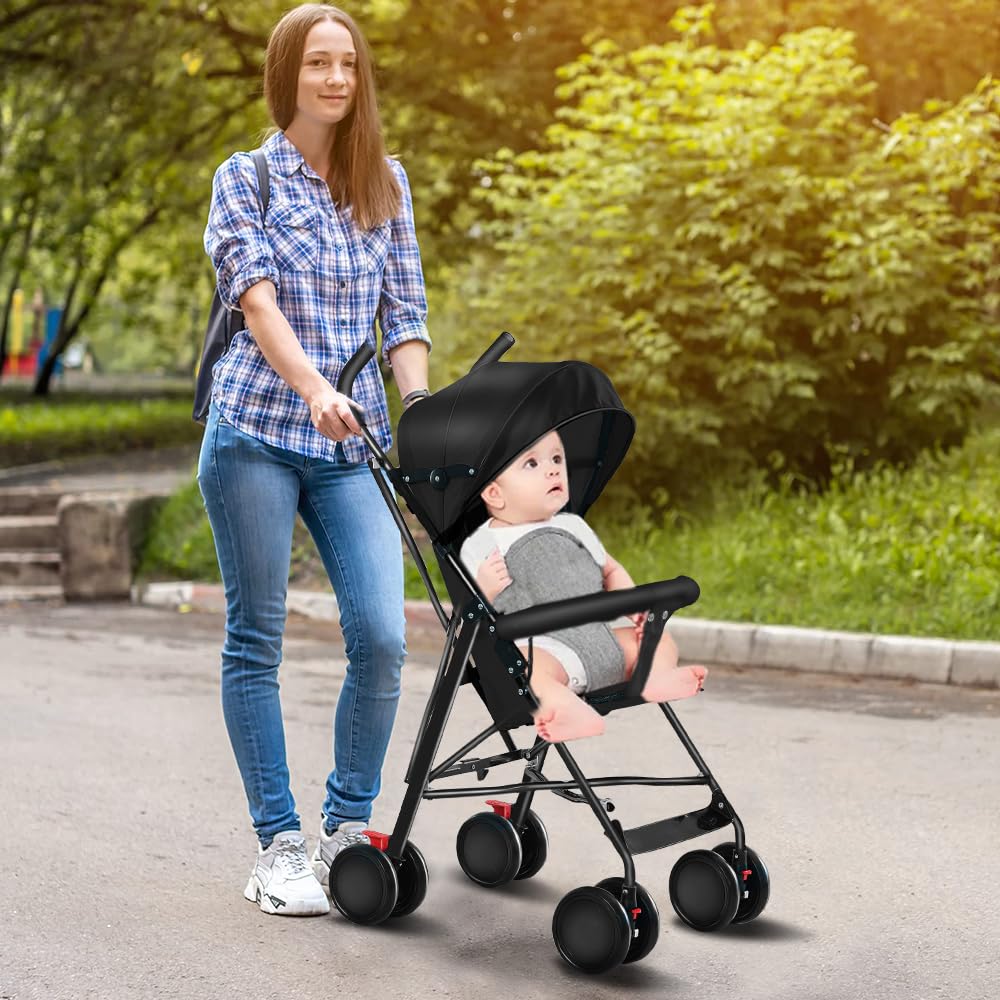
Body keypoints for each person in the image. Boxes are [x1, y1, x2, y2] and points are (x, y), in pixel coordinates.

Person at [199, 3, 431, 917]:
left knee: (381, 635)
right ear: (287, 74)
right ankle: (278, 845)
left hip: (350, 447)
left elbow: (404, 315)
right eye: (317, 64)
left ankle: (345, 829)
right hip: (258, 427)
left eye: (348, 64)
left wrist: (420, 406)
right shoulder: (246, 178)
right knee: (254, 640)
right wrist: (311, 387)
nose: (336, 79)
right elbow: (253, 300)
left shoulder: (387, 182)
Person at [460, 430, 707, 744]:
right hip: (544, 647)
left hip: (602, 636)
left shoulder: (572, 525)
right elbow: (469, 616)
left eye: (557, 458)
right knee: (528, 671)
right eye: (532, 464)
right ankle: (567, 710)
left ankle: (655, 676)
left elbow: (611, 569)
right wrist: (484, 589)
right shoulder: (483, 543)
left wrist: (634, 607)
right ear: (495, 494)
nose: (552, 469)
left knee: (658, 638)